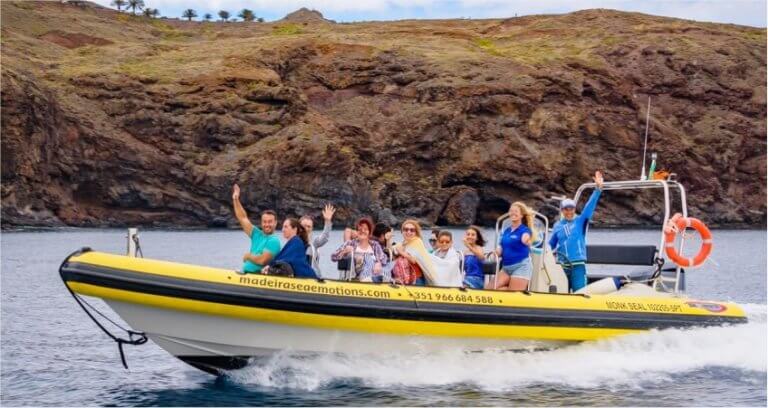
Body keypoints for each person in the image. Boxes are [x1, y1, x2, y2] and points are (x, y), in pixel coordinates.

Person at [549, 170, 604, 292]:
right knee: (561, 293)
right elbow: (550, 245)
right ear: (562, 210)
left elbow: (589, 208)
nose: (569, 212)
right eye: (566, 209)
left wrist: (597, 190)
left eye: (571, 209)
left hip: (578, 264)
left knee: (580, 292)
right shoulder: (558, 225)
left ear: (574, 209)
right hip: (562, 265)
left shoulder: (580, 221)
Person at [232, 184, 281, 274]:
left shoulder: (274, 241)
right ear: (261, 223)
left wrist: (248, 256)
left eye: (270, 221)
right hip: (245, 274)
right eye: (265, 221)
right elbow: (242, 218)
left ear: (275, 223)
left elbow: (262, 260)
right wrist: (235, 199)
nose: (267, 224)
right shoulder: (256, 234)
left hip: (257, 278)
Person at [491, 202, 536, 291]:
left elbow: (525, 238)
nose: (513, 213)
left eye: (516, 211)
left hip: (521, 266)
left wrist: (526, 241)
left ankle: (521, 293)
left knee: (513, 294)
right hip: (506, 268)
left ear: (521, 215)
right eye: (511, 211)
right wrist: (496, 252)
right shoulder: (507, 231)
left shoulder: (525, 230)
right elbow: (501, 246)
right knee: (490, 289)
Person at [331, 217, 388, 282]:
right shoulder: (350, 243)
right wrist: (344, 252)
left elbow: (384, 259)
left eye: (365, 229)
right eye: (360, 229)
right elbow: (333, 257)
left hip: (374, 276)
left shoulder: (375, 245)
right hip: (357, 278)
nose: (362, 231)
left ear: (369, 232)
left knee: (384, 276)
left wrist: (378, 263)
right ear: (357, 231)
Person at [392, 219, 440, 286]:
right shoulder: (403, 243)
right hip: (404, 279)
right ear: (402, 231)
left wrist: (401, 252)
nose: (408, 232)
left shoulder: (417, 242)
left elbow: (413, 260)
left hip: (416, 280)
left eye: (412, 230)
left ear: (416, 232)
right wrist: (388, 240)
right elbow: (393, 255)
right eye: (406, 229)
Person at [300, 204, 336, 276]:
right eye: (304, 226)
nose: (306, 229)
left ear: (312, 229)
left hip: (311, 278)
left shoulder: (314, 242)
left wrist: (327, 221)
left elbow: (324, 237)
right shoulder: (293, 242)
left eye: (309, 227)